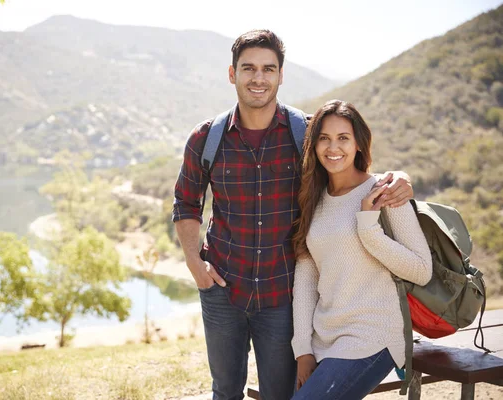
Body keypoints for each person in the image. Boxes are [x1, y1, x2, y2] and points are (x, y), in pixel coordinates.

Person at [173, 29, 413, 400]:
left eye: (269, 69)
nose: (258, 78)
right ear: (232, 73)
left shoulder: (305, 134)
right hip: (222, 290)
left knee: (280, 395)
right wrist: (194, 263)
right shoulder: (206, 138)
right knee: (224, 392)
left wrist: (400, 178)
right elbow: (186, 204)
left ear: (281, 75)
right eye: (248, 68)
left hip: (282, 295)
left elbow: (349, 169)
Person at [290, 99, 432, 400]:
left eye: (343, 138)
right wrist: (303, 348)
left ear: (358, 144)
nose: (333, 148)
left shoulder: (384, 191)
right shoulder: (313, 197)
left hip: (374, 336)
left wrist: (368, 228)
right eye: (324, 138)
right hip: (325, 337)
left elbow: (421, 270)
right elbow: (306, 277)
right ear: (314, 145)